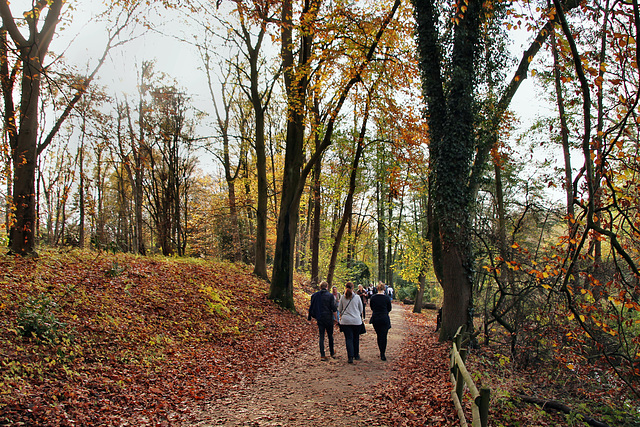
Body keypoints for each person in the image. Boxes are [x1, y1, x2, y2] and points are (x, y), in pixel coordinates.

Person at [308, 281, 337, 361]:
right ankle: (331, 352)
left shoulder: (315, 295)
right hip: (328, 318)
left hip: (320, 318)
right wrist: (336, 319)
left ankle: (322, 354)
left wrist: (310, 317)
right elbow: (333, 308)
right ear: (327, 287)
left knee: (321, 336)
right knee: (330, 336)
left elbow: (311, 306)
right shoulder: (330, 296)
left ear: (320, 287)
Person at [338, 282, 364, 364]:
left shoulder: (343, 297)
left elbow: (339, 309)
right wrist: (356, 314)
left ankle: (350, 357)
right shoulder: (357, 297)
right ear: (353, 288)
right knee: (356, 338)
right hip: (356, 321)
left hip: (345, 321)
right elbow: (361, 309)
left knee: (348, 338)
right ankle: (356, 355)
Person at [369, 282, 392, 361]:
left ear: (377, 289)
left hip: (376, 318)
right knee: (384, 335)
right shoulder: (387, 298)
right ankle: (383, 353)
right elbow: (389, 308)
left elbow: (372, 307)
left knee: (379, 335)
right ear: (384, 289)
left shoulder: (373, 298)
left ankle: (381, 351)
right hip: (384, 317)